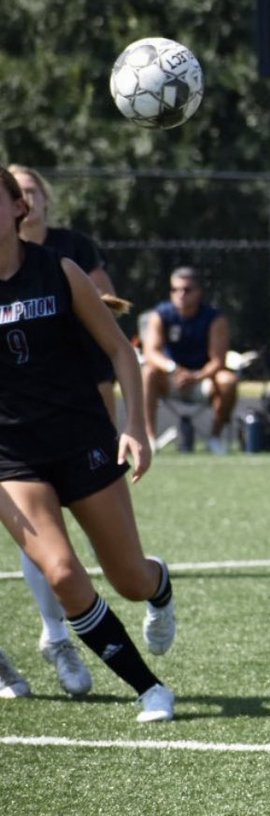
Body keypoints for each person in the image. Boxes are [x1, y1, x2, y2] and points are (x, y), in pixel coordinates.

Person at [0, 165, 176, 722]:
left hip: (82, 439)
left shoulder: (59, 269)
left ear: (18, 208)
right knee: (62, 573)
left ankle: (159, 585)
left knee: (129, 579)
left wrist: (136, 427)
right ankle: (151, 689)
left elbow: (122, 351)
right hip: (13, 457)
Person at [8, 164, 109, 698]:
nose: (25, 197)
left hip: (64, 405)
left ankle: (56, 634)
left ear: (34, 202)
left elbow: (108, 312)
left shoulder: (66, 253)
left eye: (30, 189)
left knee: (52, 542)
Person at [141, 265, 239, 454]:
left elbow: (218, 361)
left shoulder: (214, 318)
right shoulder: (161, 314)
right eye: (175, 289)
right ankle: (150, 439)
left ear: (199, 292)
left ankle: (215, 438)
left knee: (228, 381)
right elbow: (151, 352)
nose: (180, 294)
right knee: (148, 373)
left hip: (203, 379)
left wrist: (195, 376)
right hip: (171, 377)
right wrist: (173, 369)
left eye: (187, 290)